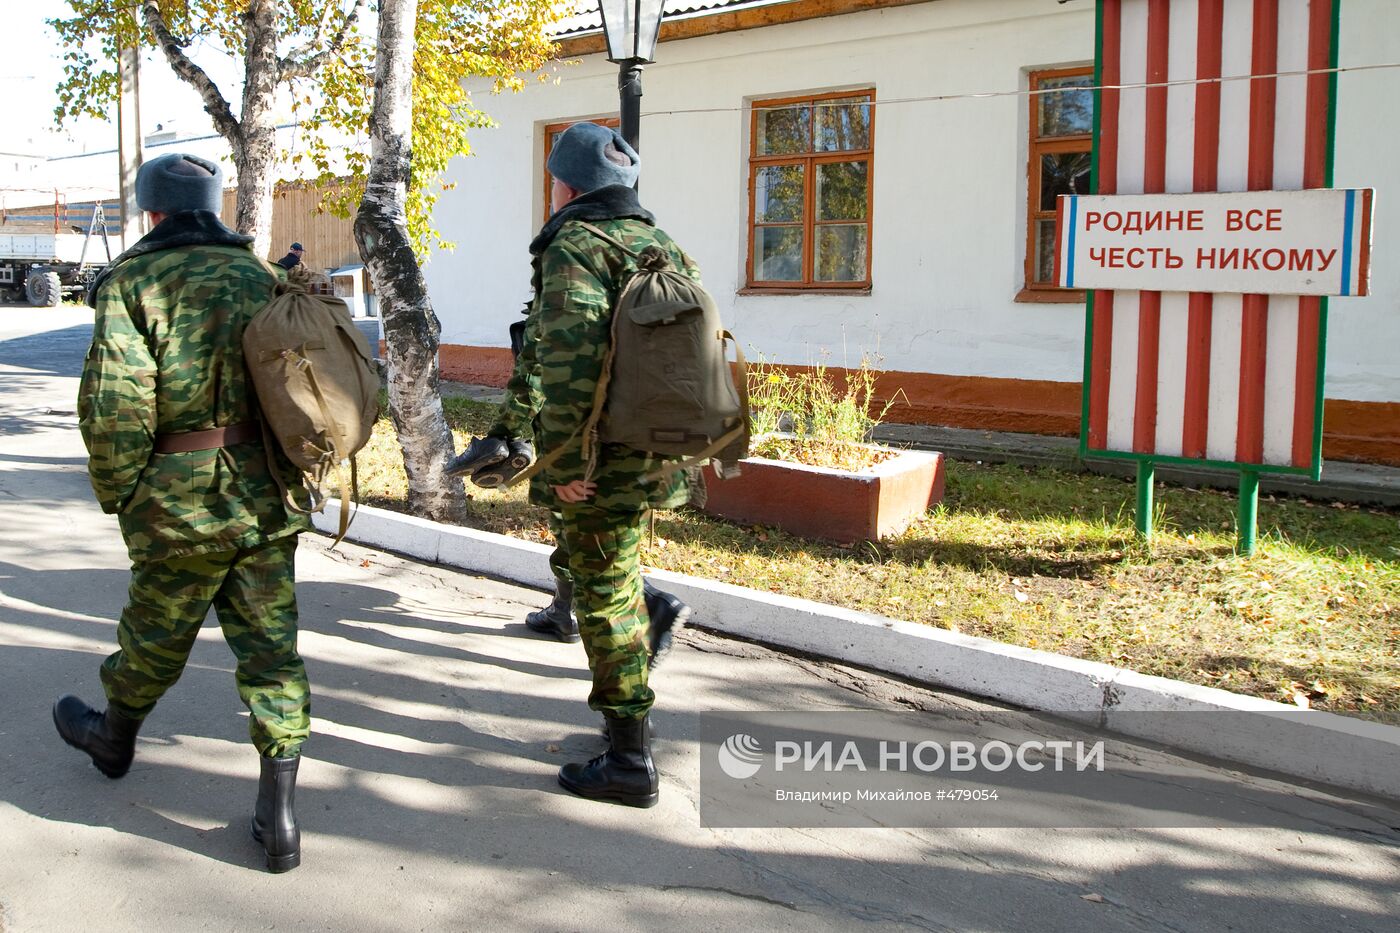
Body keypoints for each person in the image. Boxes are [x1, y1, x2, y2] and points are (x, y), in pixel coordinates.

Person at [52, 152, 312, 873]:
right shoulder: (261, 275)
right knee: (271, 650)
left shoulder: (135, 281)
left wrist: (122, 490)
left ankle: (113, 737)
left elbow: (117, 406)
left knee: (156, 631)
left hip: (179, 499)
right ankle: (280, 815)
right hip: (265, 495)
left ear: (151, 211)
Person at [448, 122, 696, 808]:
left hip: (602, 455)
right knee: (610, 569)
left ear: (566, 184)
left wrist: (563, 462)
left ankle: (628, 759)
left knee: (605, 594)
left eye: (551, 179)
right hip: (657, 447)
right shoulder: (659, 242)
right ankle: (650, 613)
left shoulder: (576, 245)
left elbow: (569, 363)